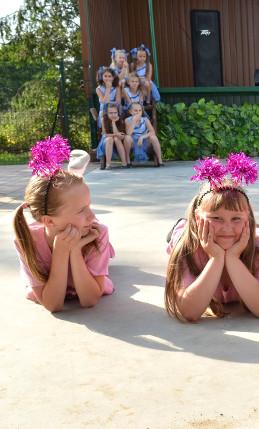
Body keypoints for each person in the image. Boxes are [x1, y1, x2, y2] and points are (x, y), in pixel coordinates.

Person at [165, 153, 259, 322]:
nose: (227, 228)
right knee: (180, 231)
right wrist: (216, 258)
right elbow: (189, 311)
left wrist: (232, 258)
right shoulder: (187, 247)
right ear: (198, 218)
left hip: (254, 233)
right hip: (185, 231)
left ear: (247, 219)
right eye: (216, 218)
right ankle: (184, 223)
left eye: (236, 218)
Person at [12, 135, 115, 312]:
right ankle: (74, 172)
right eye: (82, 210)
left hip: (85, 239)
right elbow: (53, 304)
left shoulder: (97, 233)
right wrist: (61, 251)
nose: (92, 216)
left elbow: (89, 300)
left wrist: (75, 250)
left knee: (98, 238)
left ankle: (75, 174)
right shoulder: (27, 240)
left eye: (89, 206)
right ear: (48, 220)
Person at [125, 102, 163, 166]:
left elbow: (152, 132)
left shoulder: (145, 120)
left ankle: (160, 160)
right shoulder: (127, 120)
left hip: (144, 141)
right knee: (127, 137)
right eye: (135, 110)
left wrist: (142, 137)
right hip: (133, 142)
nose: (138, 112)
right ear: (130, 112)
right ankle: (127, 160)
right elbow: (128, 133)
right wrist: (133, 121)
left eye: (140, 110)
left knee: (153, 137)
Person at [97, 102, 130, 169]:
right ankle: (108, 164)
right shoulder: (104, 119)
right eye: (111, 113)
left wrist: (113, 123)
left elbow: (122, 136)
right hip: (106, 141)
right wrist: (116, 134)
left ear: (118, 113)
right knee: (110, 139)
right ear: (107, 113)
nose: (113, 115)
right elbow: (105, 135)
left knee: (116, 139)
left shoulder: (121, 120)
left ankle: (124, 163)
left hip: (118, 142)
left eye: (115, 113)